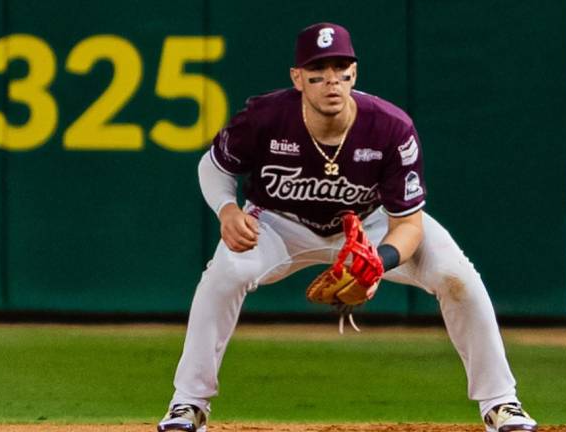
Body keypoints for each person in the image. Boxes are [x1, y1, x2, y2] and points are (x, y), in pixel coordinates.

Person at [157, 22, 538, 432]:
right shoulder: (265, 118)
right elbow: (212, 167)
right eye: (318, 73)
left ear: (354, 74)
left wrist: (379, 260)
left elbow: (407, 223)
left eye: (341, 70)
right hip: (278, 224)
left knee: (456, 275)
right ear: (297, 78)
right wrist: (227, 209)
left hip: (371, 225)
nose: (331, 82)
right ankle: (188, 403)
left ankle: (501, 403)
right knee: (225, 274)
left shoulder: (390, 128)